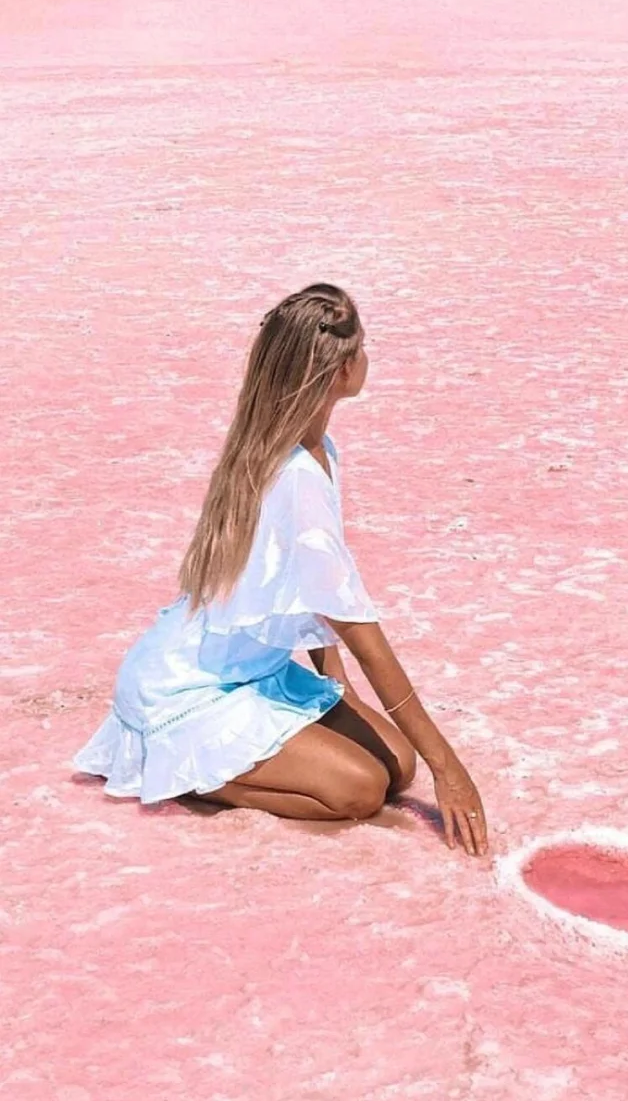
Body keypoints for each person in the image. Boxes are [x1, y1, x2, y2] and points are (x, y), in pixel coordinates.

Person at [74, 283, 488, 857]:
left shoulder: (312, 451)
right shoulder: (293, 476)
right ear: (340, 371)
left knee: (398, 765)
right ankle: (185, 771)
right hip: (189, 690)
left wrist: (331, 683)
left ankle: (239, 756)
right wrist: (452, 768)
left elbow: (313, 590)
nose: (369, 355)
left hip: (250, 670)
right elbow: (361, 631)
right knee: (362, 791)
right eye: (363, 346)